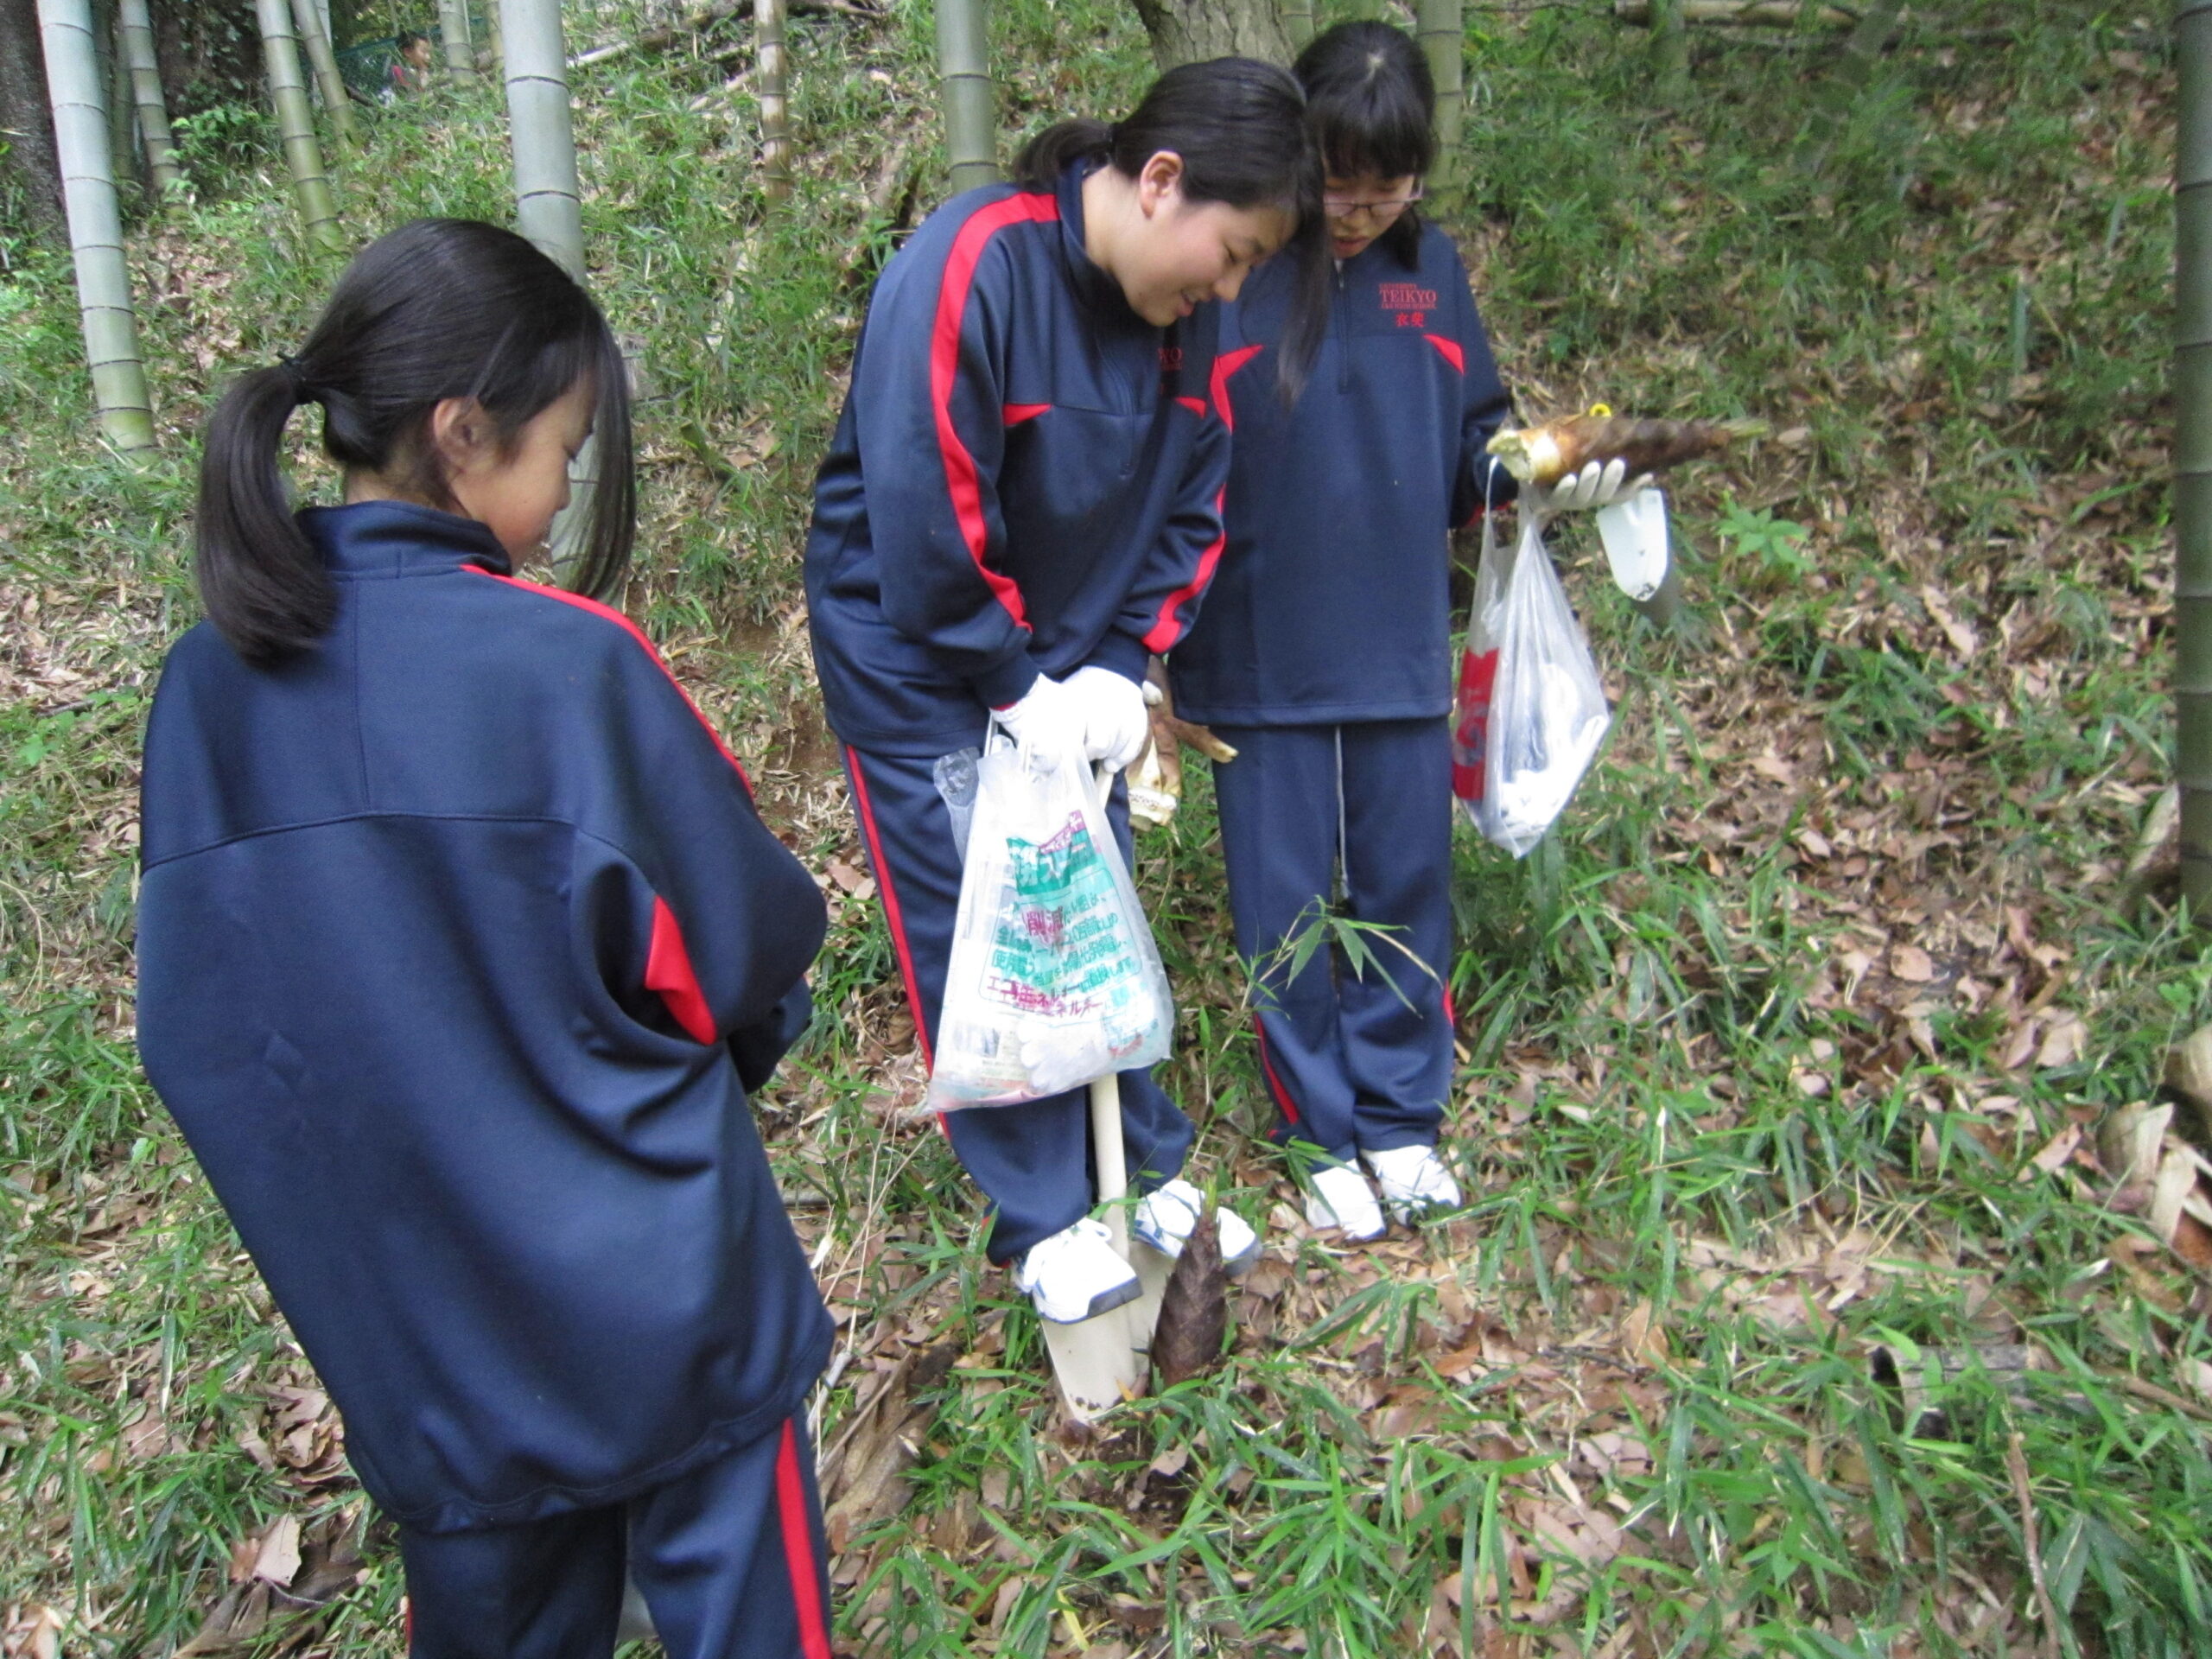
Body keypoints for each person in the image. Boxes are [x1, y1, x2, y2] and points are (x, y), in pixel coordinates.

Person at [137, 219, 835, 1659]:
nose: (567, 487)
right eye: (562, 449)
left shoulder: (204, 696)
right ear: (462, 433)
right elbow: (747, 955)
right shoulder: (568, 664)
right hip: (673, 1310)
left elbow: (201, 1038)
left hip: (426, 1354)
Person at [805, 59, 1328, 1325]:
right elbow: (925, 510)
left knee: (1091, 900)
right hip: (922, 657)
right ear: (1161, 182)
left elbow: (1196, 503)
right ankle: (1042, 1212)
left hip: (1072, 655)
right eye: (1234, 253)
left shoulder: (1189, 323)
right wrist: (1009, 680)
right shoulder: (973, 265)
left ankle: (1138, 1164)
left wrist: (1123, 662)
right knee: (981, 916)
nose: (1231, 289)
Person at [1166, 22, 1637, 1242]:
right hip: (1253, 647)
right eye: (1339, 186)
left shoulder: (1435, 276)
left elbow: (1475, 442)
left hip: (1397, 639)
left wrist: (1535, 472)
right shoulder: (1233, 270)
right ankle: (1318, 1132)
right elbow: (1174, 453)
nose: (1361, 213)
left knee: (1405, 887)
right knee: (1283, 906)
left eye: (1388, 190)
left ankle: (1399, 1118)